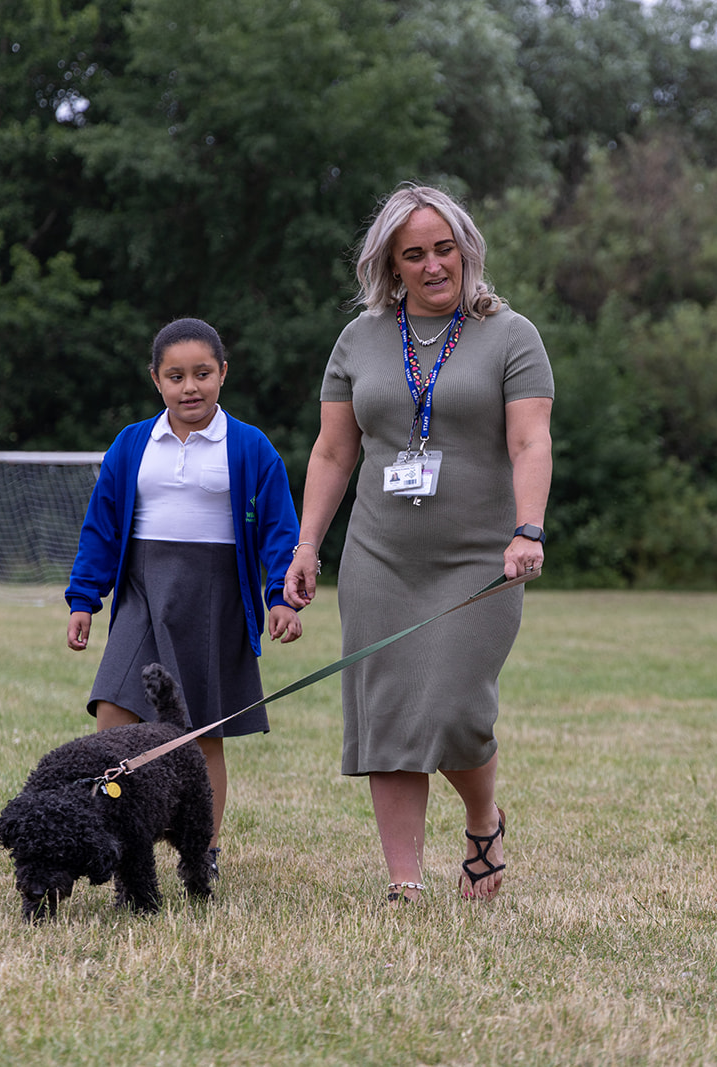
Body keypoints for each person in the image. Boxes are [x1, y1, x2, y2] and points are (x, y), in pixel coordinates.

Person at [283, 184, 553, 904]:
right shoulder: (359, 340)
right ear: (390, 266)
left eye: (444, 248)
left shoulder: (511, 334)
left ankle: (482, 819)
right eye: (415, 254)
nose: (434, 264)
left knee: (457, 708)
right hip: (379, 554)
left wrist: (529, 527)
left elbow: (530, 438)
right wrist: (308, 543)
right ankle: (404, 879)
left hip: (481, 557)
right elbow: (334, 453)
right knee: (389, 711)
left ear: (466, 248)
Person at [64, 317, 303, 882]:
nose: (189, 386)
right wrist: (83, 598)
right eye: (176, 376)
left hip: (213, 600)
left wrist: (280, 597)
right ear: (157, 381)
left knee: (200, 736)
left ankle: (204, 853)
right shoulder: (132, 443)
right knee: (114, 717)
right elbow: (100, 526)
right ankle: (117, 842)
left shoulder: (249, 446)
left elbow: (278, 530)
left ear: (223, 373)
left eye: (202, 373)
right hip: (142, 595)